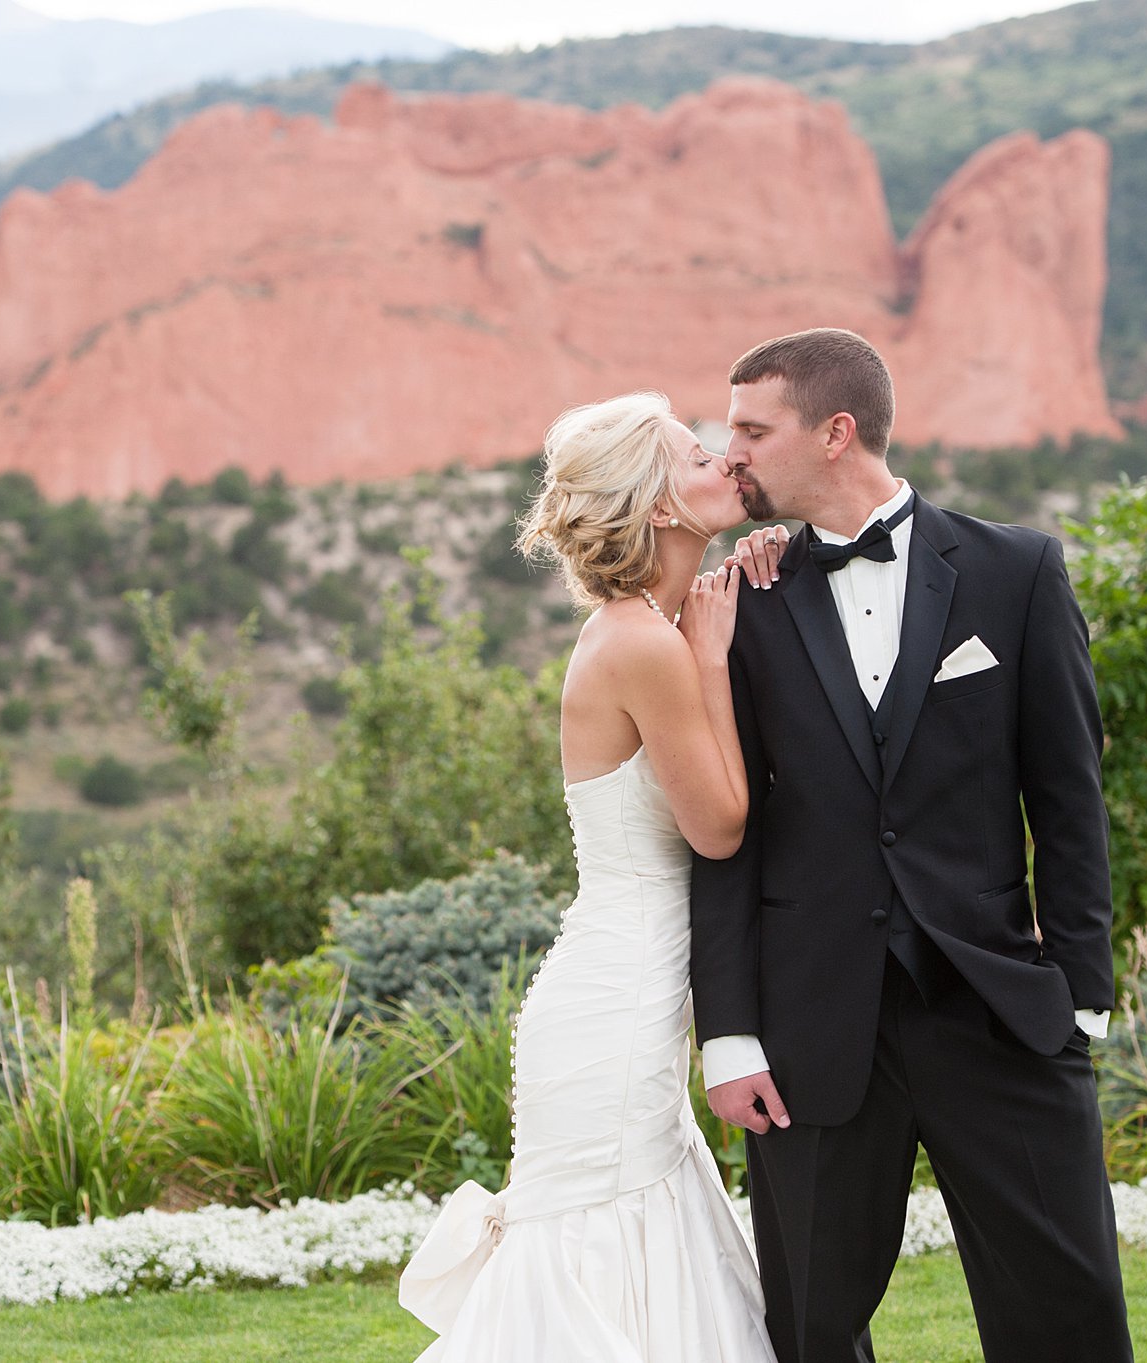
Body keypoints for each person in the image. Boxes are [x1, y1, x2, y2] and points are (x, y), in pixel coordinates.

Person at [695, 327, 1133, 1362]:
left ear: (835, 432)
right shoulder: (738, 605)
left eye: (753, 429)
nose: (732, 452)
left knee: (1065, 1317)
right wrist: (729, 1033)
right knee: (808, 1327)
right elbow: (725, 831)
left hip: (997, 1011)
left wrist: (1078, 992)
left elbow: (1067, 796)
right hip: (809, 1035)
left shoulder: (1015, 571)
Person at [399, 391, 779, 1363]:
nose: (722, 462)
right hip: (614, 1002)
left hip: (623, 990)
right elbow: (722, 826)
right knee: (595, 1252)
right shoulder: (649, 643)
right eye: (698, 455)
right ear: (659, 506)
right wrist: (709, 657)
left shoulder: (637, 626)